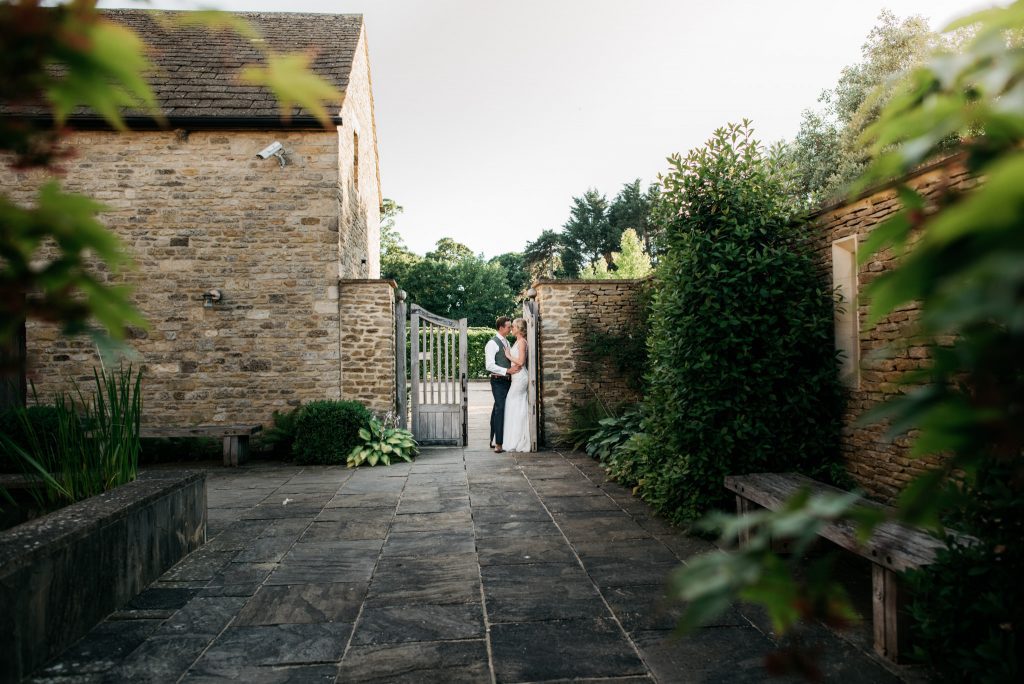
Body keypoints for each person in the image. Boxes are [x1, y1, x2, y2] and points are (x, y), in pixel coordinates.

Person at [485, 316, 521, 453]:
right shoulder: (492, 343)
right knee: (500, 409)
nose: (510, 328)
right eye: (508, 326)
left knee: (496, 410)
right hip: (498, 381)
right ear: (501, 328)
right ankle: (499, 444)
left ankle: (493, 439)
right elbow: (489, 365)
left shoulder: (506, 341)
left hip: (507, 381)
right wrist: (507, 371)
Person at [501, 317, 531, 452]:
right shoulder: (518, 341)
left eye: (513, 326)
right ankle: (514, 437)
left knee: (514, 403)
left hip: (520, 377)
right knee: (514, 404)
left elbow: (521, 362)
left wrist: (508, 355)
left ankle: (519, 438)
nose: (511, 328)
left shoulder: (522, 342)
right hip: (516, 377)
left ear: (519, 329)